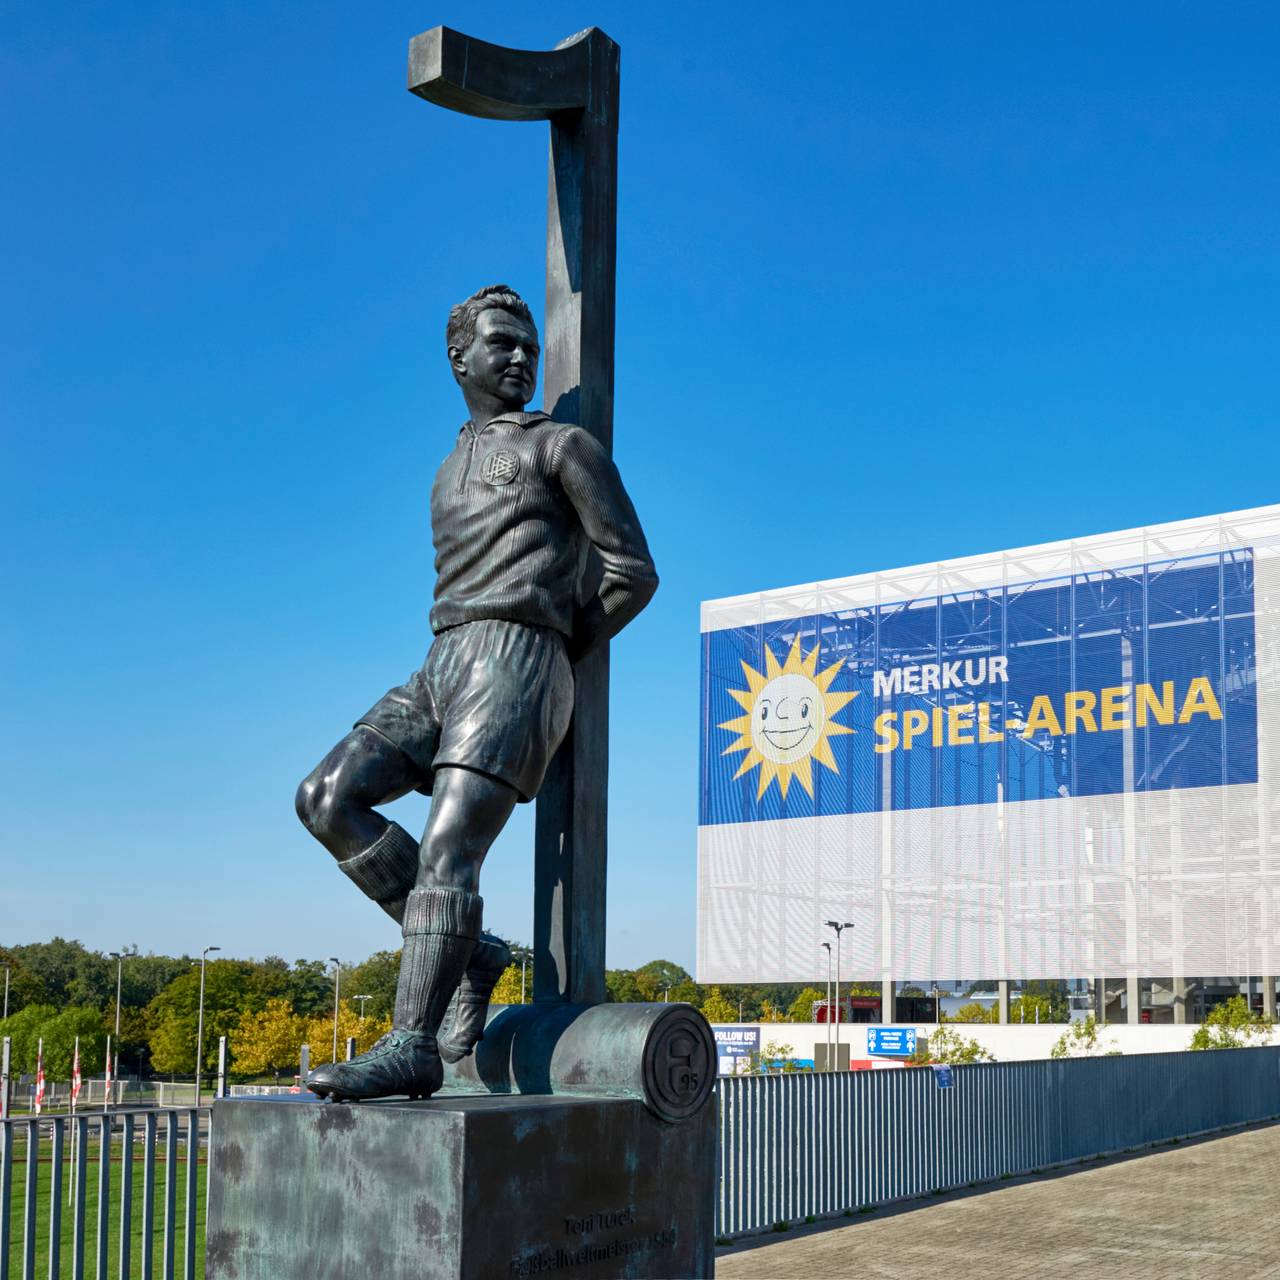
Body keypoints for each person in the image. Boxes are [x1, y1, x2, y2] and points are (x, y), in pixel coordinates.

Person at [295, 285, 657, 1100]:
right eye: (502, 343)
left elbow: (632, 572)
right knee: (325, 798)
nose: (522, 356)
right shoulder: (449, 463)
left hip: (517, 656)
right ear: (459, 358)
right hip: (441, 660)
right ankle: (474, 955)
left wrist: (556, 645)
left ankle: (412, 1044)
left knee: (449, 850)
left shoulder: (562, 446)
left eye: (529, 343)